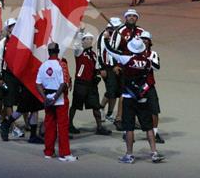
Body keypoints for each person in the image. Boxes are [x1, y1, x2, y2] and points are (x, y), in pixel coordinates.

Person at [103, 36, 165, 164]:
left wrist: (105, 39)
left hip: (128, 98)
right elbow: (149, 78)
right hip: (142, 98)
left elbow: (110, 51)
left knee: (129, 128)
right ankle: (154, 153)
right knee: (148, 127)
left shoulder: (126, 59)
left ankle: (129, 155)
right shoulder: (147, 62)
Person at [36, 43, 77, 162]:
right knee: (63, 126)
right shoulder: (62, 64)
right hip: (60, 99)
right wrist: (55, 98)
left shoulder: (43, 65)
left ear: (49, 52)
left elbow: (38, 83)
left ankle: (48, 152)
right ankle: (65, 154)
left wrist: (45, 98)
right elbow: (63, 83)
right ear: (58, 51)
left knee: (49, 125)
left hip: (48, 99)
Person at [69, 31, 111, 135]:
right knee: (75, 105)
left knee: (96, 106)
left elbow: (96, 67)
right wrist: (80, 34)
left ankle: (99, 127)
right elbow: (76, 45)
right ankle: (69, 125)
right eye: (86, 39)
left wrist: (99, 73)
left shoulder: (93, 54)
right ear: (82, 41)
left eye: (90, 39)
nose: (89, 41)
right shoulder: (79, 51)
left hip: (91, 84)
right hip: (81, 83)